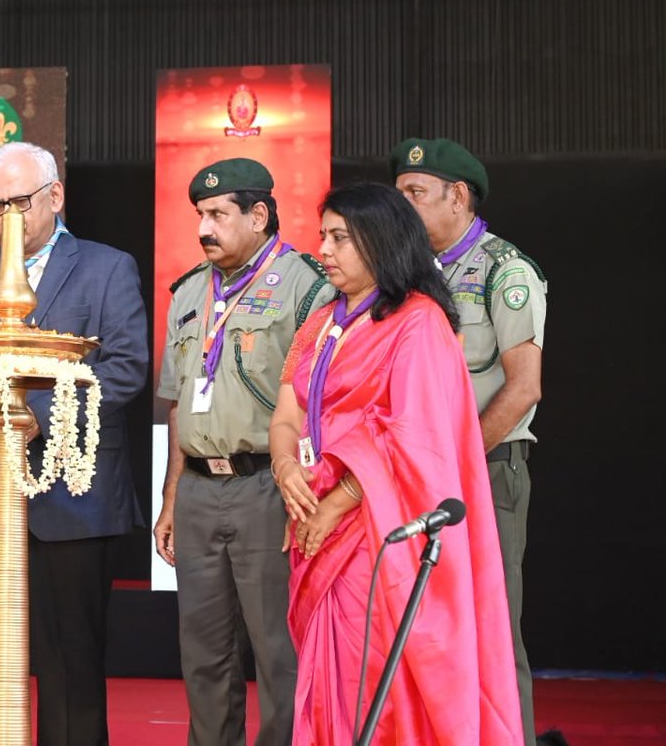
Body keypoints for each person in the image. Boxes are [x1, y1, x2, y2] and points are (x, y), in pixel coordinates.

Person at [269, 182, 523, 744]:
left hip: (379, 533)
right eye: (323, 237)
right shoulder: (319, 323)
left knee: (375, 678)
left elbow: (415, 435)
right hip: (314, 521)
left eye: (340, 237)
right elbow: (286, 411)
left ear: (380, 241)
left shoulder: (419, 322)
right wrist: (285, 468)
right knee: (329, 677)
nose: (325, 251)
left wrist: (336, 504)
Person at [0, 141, 148, 746]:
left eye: (19, 203)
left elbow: (126, 369)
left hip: (71, 501)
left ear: (54, 197)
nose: (8, 218)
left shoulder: (108, 268)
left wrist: (34, 418)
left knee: (69, 667)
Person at [153, 157, 333, 746]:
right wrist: (171, 494)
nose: (204, 228)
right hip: (200, 490)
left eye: (217, 214)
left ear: (258, 215)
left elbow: (324, 401)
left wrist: (310, 493)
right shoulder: (186, 293)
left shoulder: (310, 283)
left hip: (270, 489)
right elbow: (178, 400)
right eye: (200, 216)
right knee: (203, 651)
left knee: (279, 651)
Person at [391, 137, 547, 746]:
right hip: (415, 481)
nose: (402, 207)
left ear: (458, 196)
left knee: (493, 631)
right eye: (399, 194)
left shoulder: (505, 270)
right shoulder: (407, 278)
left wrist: (454, 461)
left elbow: (524, 387)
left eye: (416, 194)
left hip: (484, 474)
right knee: (422, 633)